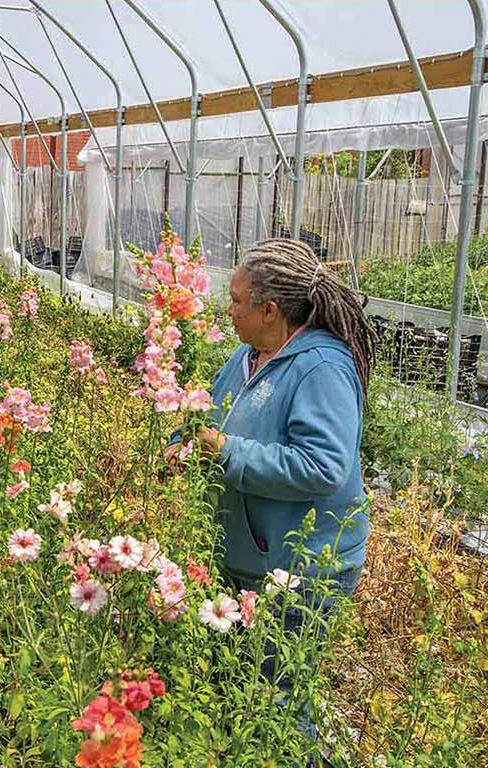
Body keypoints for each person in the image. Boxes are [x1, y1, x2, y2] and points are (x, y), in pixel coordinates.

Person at [177, 238, 376, 750]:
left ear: (270, 309)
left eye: (238, 299)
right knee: (242, 686)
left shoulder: (321, 369)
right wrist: (180, 440)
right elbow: (212, 413)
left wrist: (226, 452)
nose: (229, 306)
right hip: (252, 557)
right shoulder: (250, 356)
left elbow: (324, 466)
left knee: (277, 698)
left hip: (303, 568)